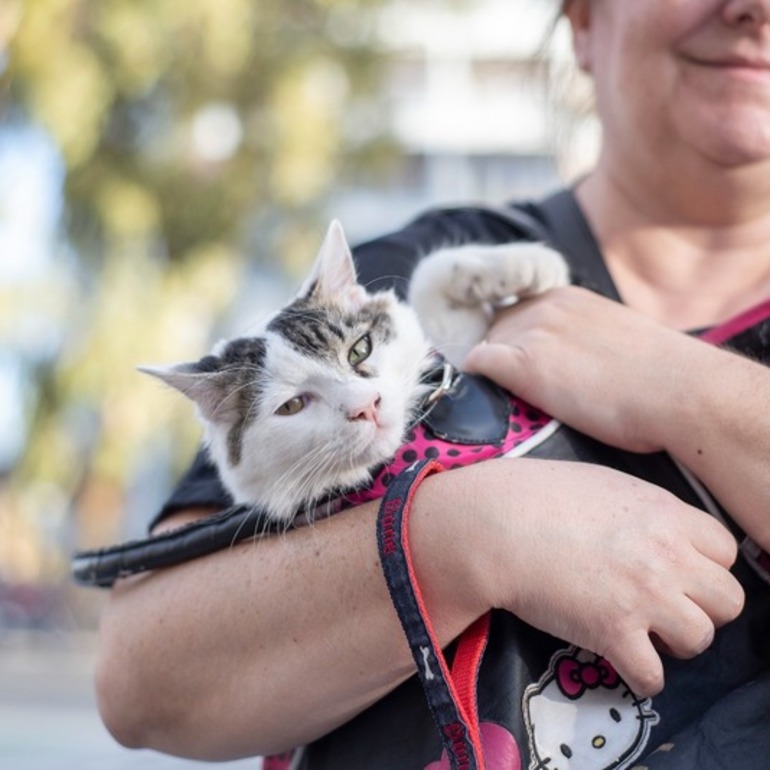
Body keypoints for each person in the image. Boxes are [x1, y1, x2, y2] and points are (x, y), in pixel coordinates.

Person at [94, 0, 770, 767]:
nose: (752, 7)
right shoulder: (414, 282)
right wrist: (464, 536)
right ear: (583, 20)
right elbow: (142, 679)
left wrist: (682, 387)